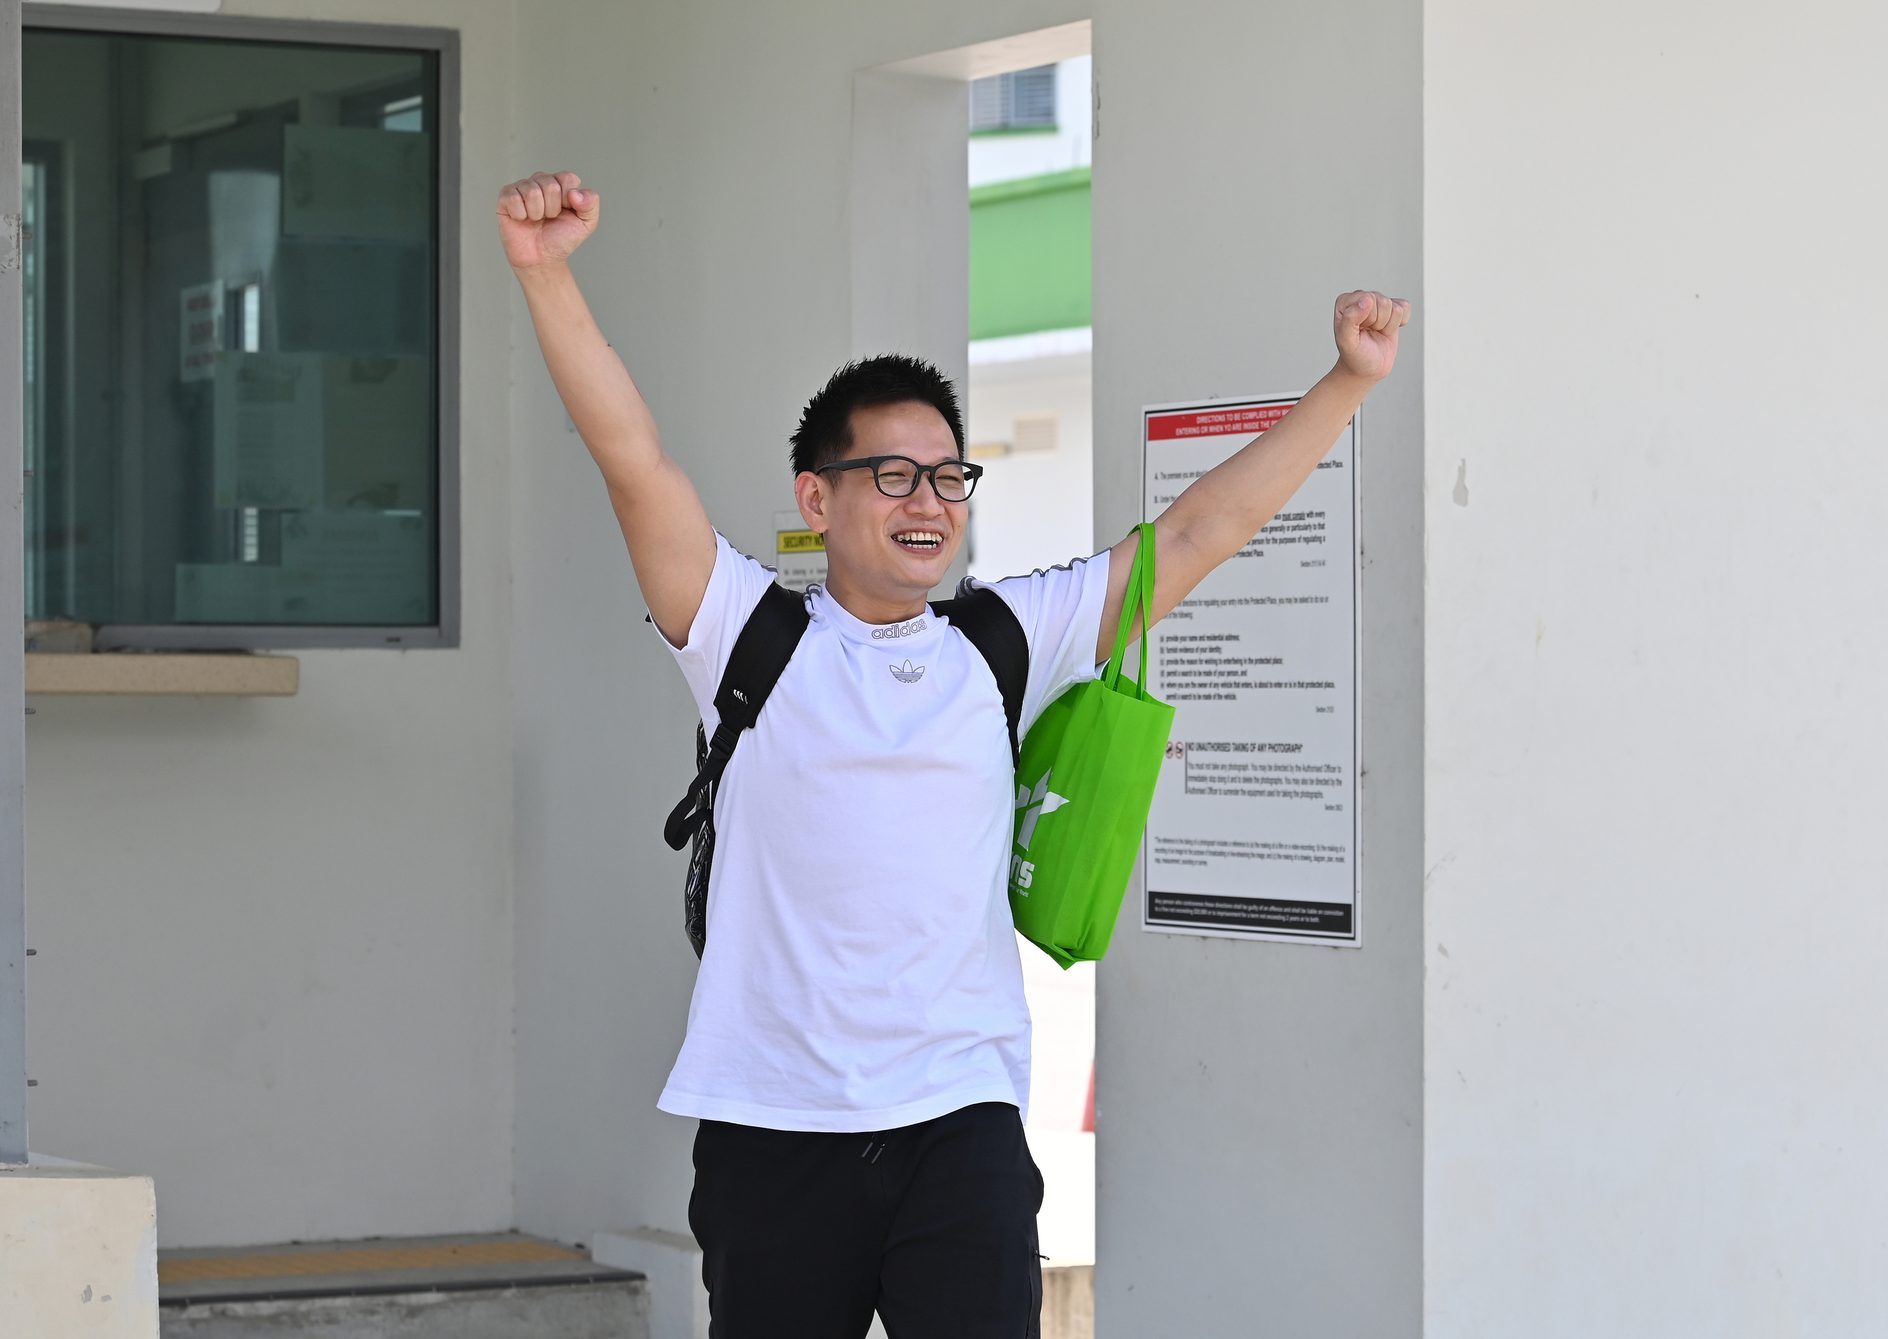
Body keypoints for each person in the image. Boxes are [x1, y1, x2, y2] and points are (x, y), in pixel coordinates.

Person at [499, 168, 1408, 1339]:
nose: (927, 500)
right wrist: (548, 273)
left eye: (947, 476)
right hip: (774, 1122)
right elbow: (632, 458)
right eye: (891, 473)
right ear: (815, 498)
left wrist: (1347, 382)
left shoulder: (1004, 638)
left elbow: (1196, 531)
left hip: (960, 1119)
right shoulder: (745, 630)